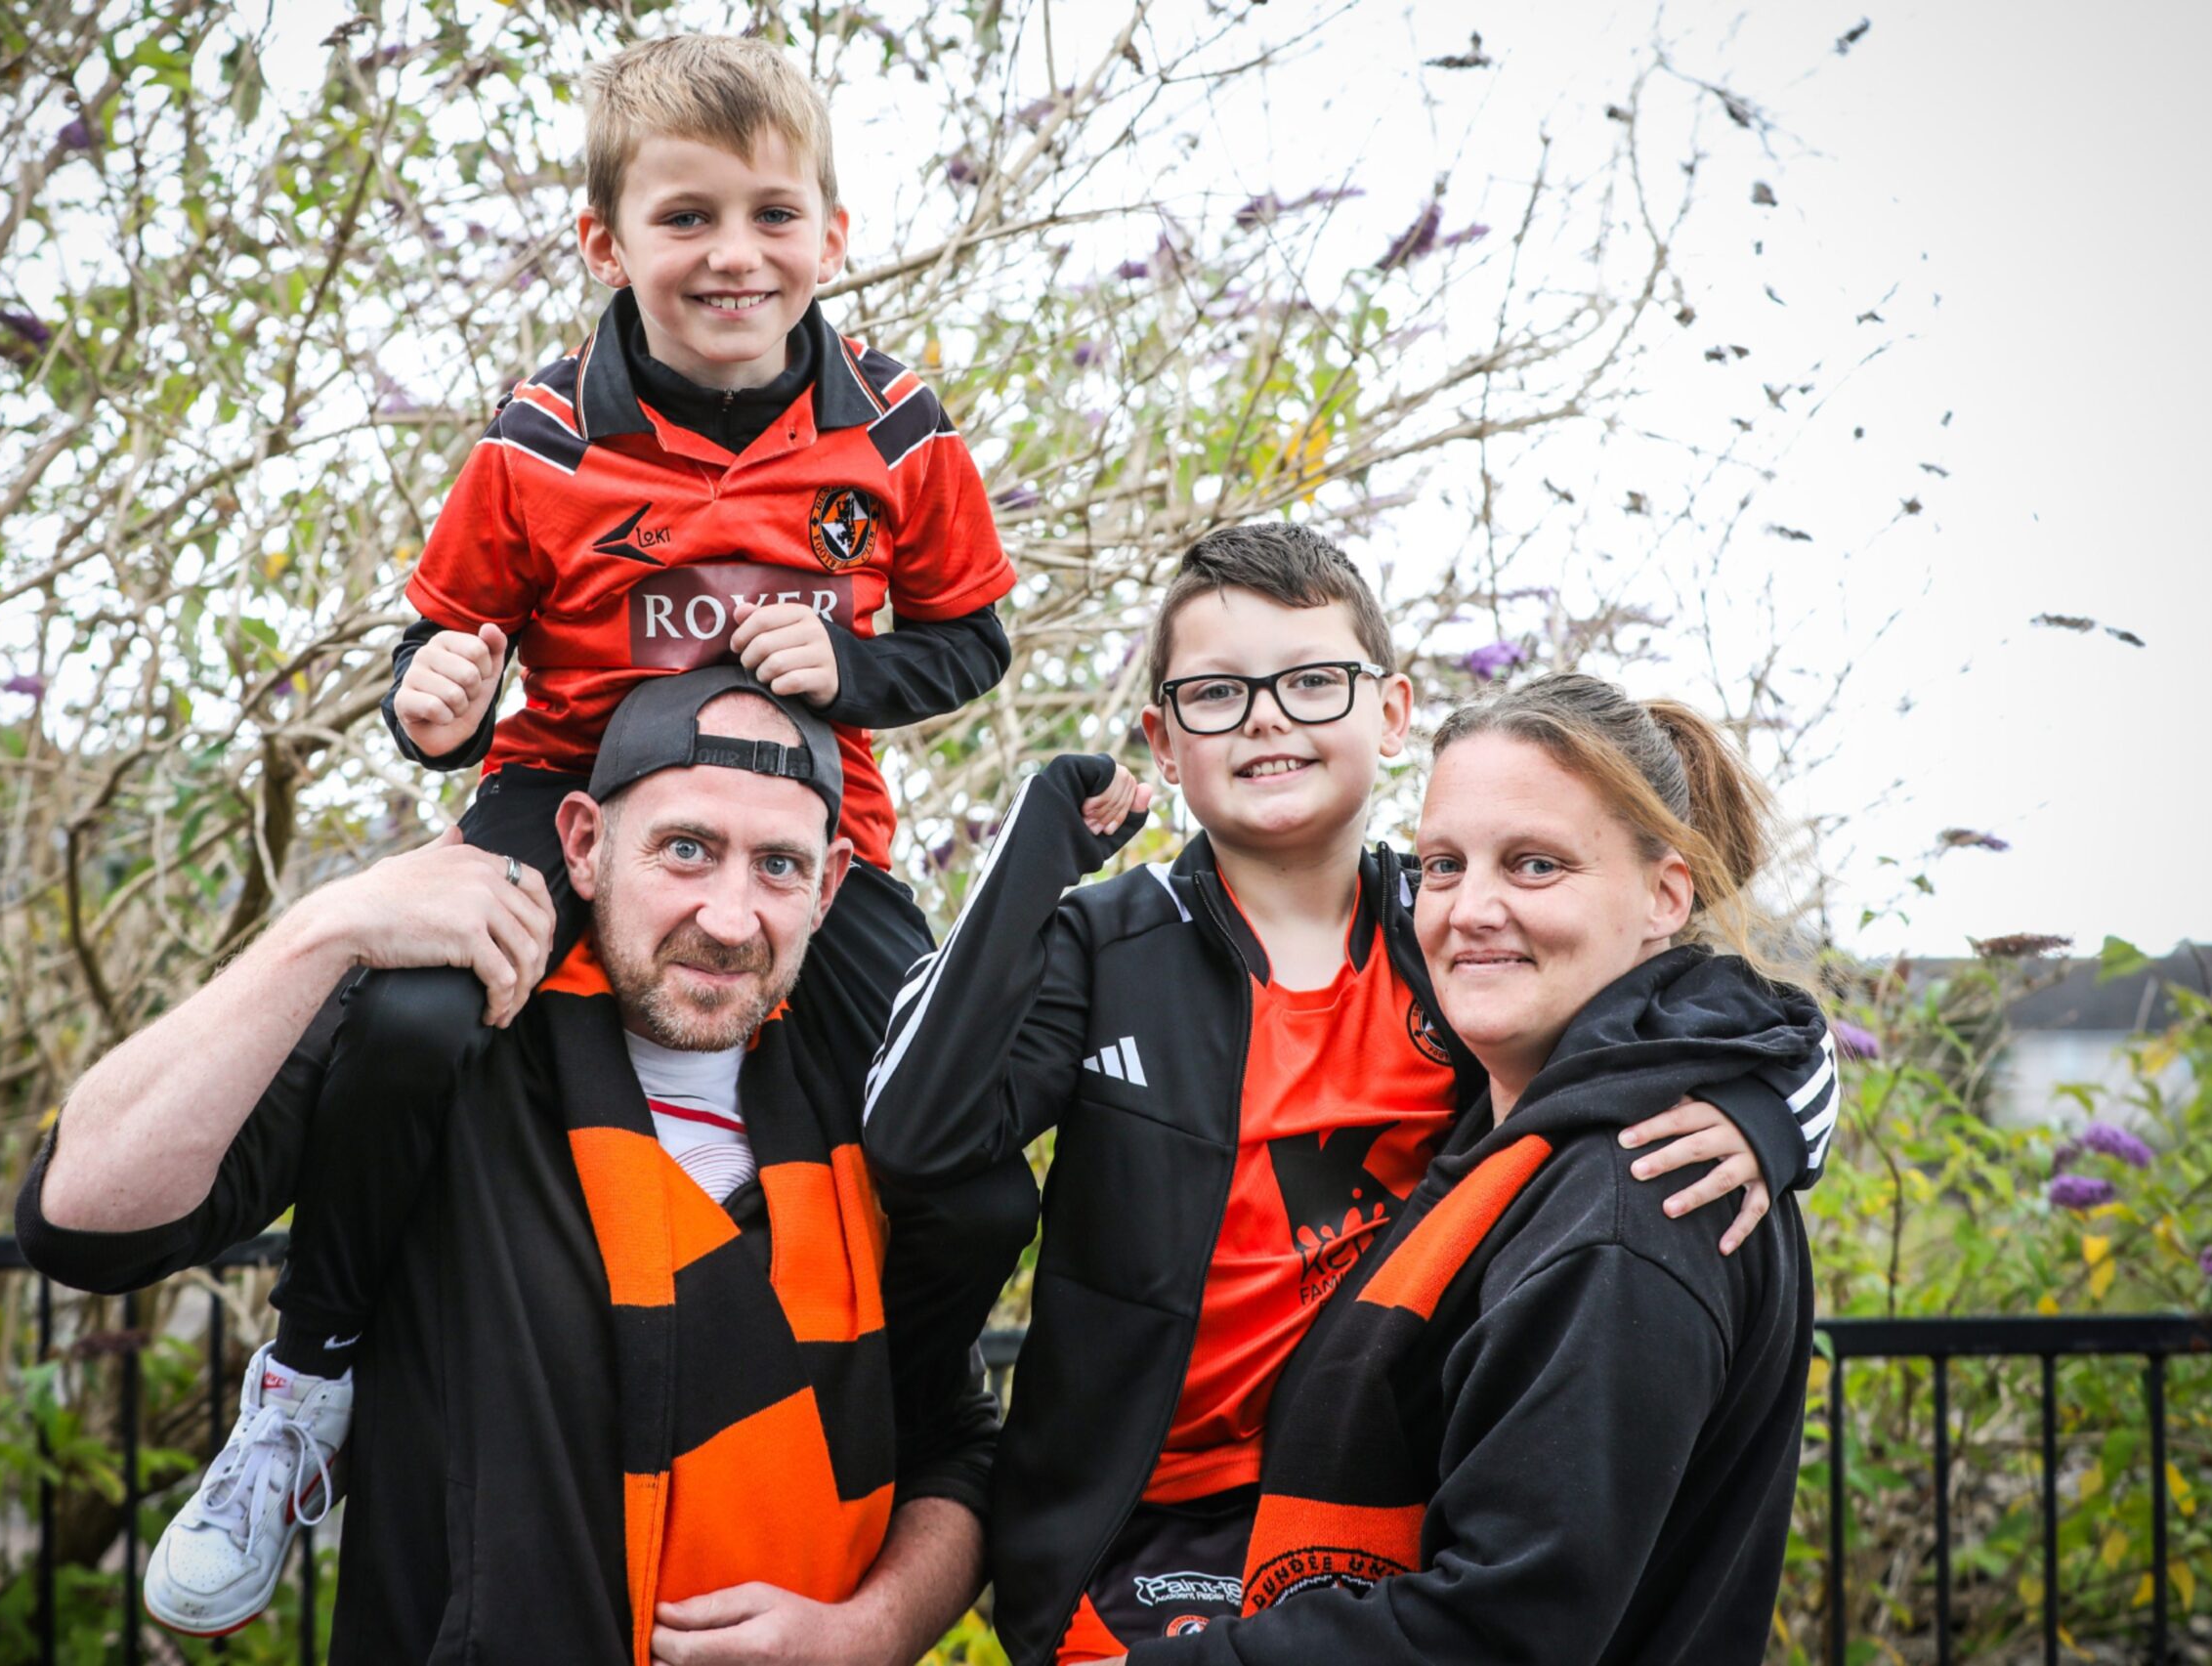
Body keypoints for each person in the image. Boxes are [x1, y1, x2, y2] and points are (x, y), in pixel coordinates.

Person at [143, 30, 1023, 1634]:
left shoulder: (898, 432)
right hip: (562, 815)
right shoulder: (539, 438)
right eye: (686, 219)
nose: (732, 255)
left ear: (832, 233)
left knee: (970, 1119)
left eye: (772, 215)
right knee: (407, 1022)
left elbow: (974, 643)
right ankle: (307, 1384)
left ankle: (909, 1419)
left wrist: (863, 668)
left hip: (800, 844)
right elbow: (442, 658)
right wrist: (440, 706)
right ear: (607, 244)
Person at [859, 525, 1837, 1665]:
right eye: (1217, 692)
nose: (1267, 716)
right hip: (1144, 1532)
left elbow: (1735, 1017)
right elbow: (912, 1130)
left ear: (1390, 712)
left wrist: (1771, 1119)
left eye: (1310, 680)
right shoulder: (1099, 947)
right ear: (1162, 742)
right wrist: (1032, 861)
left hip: (1381, 1513)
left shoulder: (1449, 942)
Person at [17, 669, 1027, 1663]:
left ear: (831, 884)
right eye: (686, 849)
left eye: (777, 866)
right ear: (583, 844)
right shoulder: (444, 1052)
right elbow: (83, 1215)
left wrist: (874, 1628)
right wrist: (325, 930)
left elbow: (953, 1440)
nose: (729, 917)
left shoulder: (870, 1113)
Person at [1114, 670, 1827, 1663]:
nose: (1471, 908)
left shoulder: (1632, 1200)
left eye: (1535, 865)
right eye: (1443, 864)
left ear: (1665, 895)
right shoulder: (1511, 1135)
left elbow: (1499, 1629)